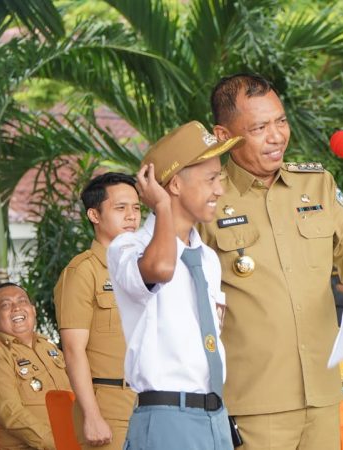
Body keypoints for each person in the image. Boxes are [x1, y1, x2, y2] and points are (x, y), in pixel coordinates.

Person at [201, 73, 343, 449]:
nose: (277, 136)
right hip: (255, 399)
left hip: (322, 390)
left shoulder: (316, 184)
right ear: (223, 136)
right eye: (259, 127)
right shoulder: (207, 200)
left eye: (281, 121)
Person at [108, 121, 242, 449]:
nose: (219, 190)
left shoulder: (207, 258)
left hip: (214, 416)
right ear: (175, 185)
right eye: (211, 179)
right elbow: (161, 268)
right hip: (167, 417)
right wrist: (162, 206)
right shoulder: (130, 247)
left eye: (220, 178)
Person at [54, 172, 140, 449]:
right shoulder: (82, 271)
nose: (131, 216)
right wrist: (92, 416)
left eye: (137, 208)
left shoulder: (145, 267)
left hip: (152, 401)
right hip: (109, 405)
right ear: (94, 214)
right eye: (121, 208)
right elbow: (73, 349)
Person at [0, 283, 72, 450]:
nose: (16, 308)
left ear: (33, 310)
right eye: (5, 305)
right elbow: (11, 414)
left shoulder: (49, 348)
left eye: (22, 301)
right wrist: (59, 444)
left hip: (72, 441)